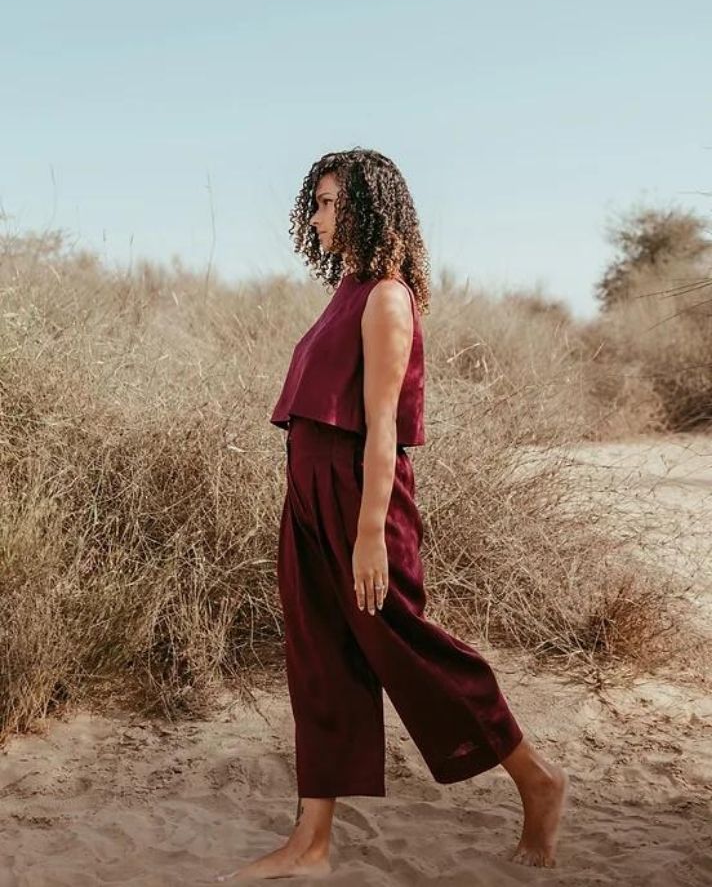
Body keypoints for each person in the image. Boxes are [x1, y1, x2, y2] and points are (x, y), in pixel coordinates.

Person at [215, 148, 567, 882]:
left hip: (360, 500)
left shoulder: (385, 298)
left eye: (331, 203)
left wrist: (370, 533)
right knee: (319, 661)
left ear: (371, 207)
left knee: (410, 650)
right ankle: (310, 845)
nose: (317, 218)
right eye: (315, 203)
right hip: (309, 495)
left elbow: (381, 426)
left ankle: (536, 778)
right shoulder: (346, 290)